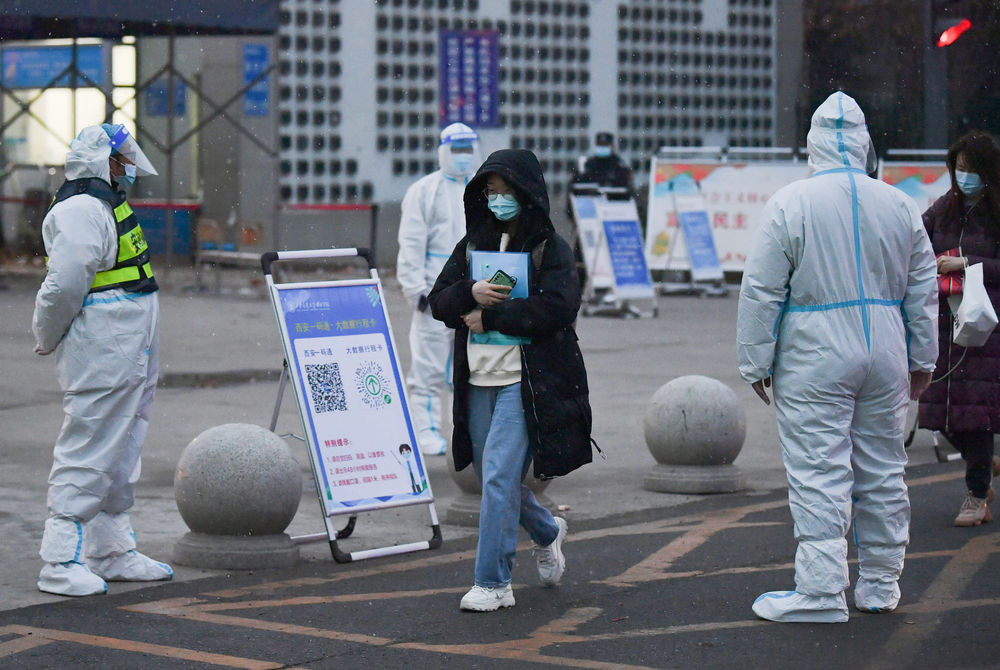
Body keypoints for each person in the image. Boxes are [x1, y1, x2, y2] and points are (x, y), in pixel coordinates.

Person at [736, 92, 938, 623]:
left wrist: (755, 361)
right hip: (886, 346)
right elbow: (922, 288)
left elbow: (762, 289)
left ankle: (822, 591)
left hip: (814, 349)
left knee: (818, 470)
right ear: (864, 143)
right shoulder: (898, 204)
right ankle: (880, 584)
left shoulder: (791, 202)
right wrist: (923, 358)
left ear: (814, 144)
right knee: (883, 468)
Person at [428, 148, 593, 612]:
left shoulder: (549, 248)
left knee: (500, 476)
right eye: (490, 191)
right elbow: (438, 301)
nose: (497, 200)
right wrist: (470, 292)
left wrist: (494, 314)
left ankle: (493, 582)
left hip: (525, 380)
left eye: (505, 192)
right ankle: (547, 530)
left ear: (526, 193)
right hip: (478, 380)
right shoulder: (471, 246)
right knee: (492, 478)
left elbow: (559, 308)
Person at [32, 124, 173, 596]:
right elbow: (64, 284)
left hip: (126, 342)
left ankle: (110, 550)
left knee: (122, 445)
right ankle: (59, 560)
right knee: (90, 445)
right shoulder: (81, 209)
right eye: (122, 157)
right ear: (103, 161)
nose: (128, 165)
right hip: (104, 345)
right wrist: (45, 333)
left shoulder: (102, 203)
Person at [919, 130, 1000, 527]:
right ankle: (982, 463)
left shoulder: (996, 212)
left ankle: (976, 494)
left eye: (970, 168)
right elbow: (915, 240)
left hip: (985, 327)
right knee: (938, 410)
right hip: (943, 321)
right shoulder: (944, 208)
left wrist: (967, 263)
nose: (963, 176)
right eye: (958, 167)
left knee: (975, 413)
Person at [397, 122, 482, 456]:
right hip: (434, 293)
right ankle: (426, 430)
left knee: (470, 367)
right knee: (428, 367)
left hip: (473, 292)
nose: (463, 156)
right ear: (443, 151)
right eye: (456, 150)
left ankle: (464, 431)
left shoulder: (482, 189)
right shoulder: (424, 191)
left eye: (467, 149)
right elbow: (411, 243)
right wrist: (415, 291)